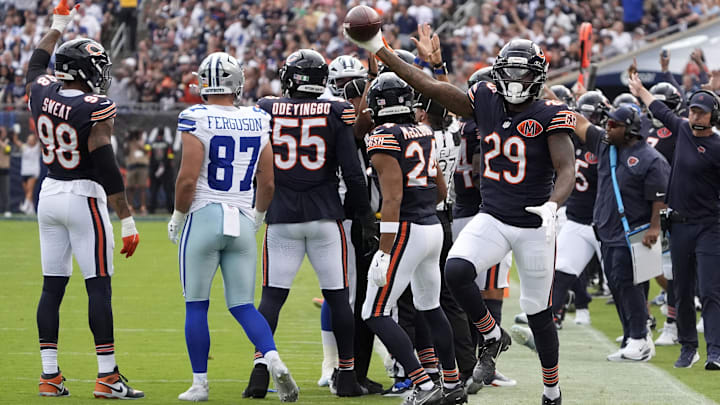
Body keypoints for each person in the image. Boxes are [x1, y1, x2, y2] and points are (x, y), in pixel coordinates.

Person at [346, 28, 575, 404]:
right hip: (494, 216)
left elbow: (567, 168)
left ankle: (552, 390)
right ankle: (490, 333)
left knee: (538, 311)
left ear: (539, 76)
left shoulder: (550, 113)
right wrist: (380, 51)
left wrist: (553, 204)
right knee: (455, 270)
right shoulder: (485, 99)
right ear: (498, 73)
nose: (516, 82)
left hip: (535, 221)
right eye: (511, 73)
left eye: (524, 74)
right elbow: (428, 85)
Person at [167, 52, 299, 402]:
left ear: (204, 83)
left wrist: (178, 216)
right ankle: (272, 358)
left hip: (204, 214)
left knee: (196, 305)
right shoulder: (257, 119)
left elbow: (187, 179)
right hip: (242, 217)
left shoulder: (196, 116)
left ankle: (200, 384)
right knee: (243, 305)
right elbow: (268, 182)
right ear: (237, 82)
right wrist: (256, 216)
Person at [244, 49, 375, 398]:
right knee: (337, 298)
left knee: (271, 299)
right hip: (325, 214)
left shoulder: (267, 107)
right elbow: (353, 172)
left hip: (282, 215)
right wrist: (362, 215)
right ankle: (345, 376)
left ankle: (259, 373)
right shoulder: (336, 110)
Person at [27, 0, 141, 398]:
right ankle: (107, 376)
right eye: (97, 67)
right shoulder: (93, 106)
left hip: (49, 195)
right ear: (83, 71)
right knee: (98, 286)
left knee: (51, 287)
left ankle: (49, 376)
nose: (102, 74)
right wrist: (126, 217)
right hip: (84, 197)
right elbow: (106, 163)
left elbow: (36, 64)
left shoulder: (41, 93)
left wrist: (58, 23)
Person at [362, 72, 463, 405]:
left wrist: (383, 251)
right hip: (432, 226)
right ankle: (452, 383)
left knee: (374, 312)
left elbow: (391, 198)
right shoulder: (424, 131)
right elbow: (441, 190)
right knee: (430, 306)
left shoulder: (382, 136)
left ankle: (422, 384)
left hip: (406, 229)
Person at [629, 73, 720, 370]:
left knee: (709, 290)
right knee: (680, 289)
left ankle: (715, 352)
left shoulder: (718, 146)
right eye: (692, 110)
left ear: (713, 116)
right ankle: (688, 347)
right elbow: (660, 109)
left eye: (701, 112)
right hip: (679, 225)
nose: (694, 116)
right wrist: (640, 90)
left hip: (710, 225)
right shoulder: (681, 130)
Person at [572, 103, 669, 362]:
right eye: (608, 122)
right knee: (617, 285)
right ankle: (631, 337)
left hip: (635, 231)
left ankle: (639, 337)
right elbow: (581, 124)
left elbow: (660, 197)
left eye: (614, 124)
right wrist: (551, 105)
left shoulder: (650, 158)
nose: (608, 127)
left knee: (630, 284)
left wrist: (655, 227)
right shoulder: (606, 147)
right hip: (607, 229)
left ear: (630, 130)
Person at [550, 90, 609, 328]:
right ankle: (547, 320)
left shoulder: (608, 144)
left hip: (605, 222)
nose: (589, 121)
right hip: (576, 218)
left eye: (593, 116)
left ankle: (641, 329)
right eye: (586, 116)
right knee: (561, 268)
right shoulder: (570, 141)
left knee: (619, 280)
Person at [13, 132, 41, 215]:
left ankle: (25, 207)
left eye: (31, 140)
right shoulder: (24, 147)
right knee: (27, 192)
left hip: (33, 172)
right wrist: (16, 132)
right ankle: (31, 209)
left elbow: (40, 139)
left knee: (29, 190)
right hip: (24, 172)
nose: (30, 141)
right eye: (28, 139)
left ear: (34, 141)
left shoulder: (36, 148)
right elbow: (15, 141)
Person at [123, 130, 149, 215]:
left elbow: (146, 150)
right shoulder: (129, 142)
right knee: (130, 188)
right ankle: (130, 207)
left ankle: (143, 208)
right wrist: (129, 141)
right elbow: (125, 152)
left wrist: (138, 143)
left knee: (143, 188)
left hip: (142, 166)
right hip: (132, 166)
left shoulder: (144, 141)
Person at [0, 126, 11, 216]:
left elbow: (7, 150)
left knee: (5, 191)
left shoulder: (7, 142)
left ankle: (6, 209)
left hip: (5, 169)